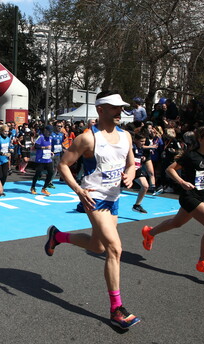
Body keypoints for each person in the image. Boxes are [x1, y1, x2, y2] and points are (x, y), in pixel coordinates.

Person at [44, 91, 141, 330]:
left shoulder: (126, 135)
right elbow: (63, 165)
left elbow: (131, 163)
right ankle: (116, 309)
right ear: (100, 109)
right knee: (114, 249)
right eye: (114, 107)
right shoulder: (87, 139)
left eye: (121, 107)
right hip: (94, 198)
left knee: (98, 246)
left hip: (114, 198)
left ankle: (57, 236)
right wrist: (79, 190)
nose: (120, 112)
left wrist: (130, 174)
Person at [141, 126, 204, 276]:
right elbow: (170, 169)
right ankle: (203, 261)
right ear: (200, 139)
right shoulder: (191, 156)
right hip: (189, 197)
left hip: (200, 196)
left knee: (176, 223)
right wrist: (182, 182)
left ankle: (150, 232)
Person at [129, 132, 151, 213]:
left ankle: (137, 205)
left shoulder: (141, 148)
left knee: (145, 186)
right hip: (128, 171)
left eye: (144, 141)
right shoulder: (131, 147)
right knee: (117, 190)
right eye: (141, 141)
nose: (143, 143)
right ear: (135, 140)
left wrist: (142, 158)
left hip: (137, 170)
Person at [30, 127, 54, 196]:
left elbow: (49, 147)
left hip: (48, 159)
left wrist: (51, 152)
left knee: (51, 173)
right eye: (48, 132)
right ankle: (33, 187)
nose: (49, 133)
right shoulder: (41, 137)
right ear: (45, 130)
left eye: (50, 132)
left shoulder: (50, 138)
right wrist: (45, 148)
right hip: (40, 159)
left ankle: (44, 188)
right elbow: (36, 146)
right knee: (38, 174)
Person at [0, 124, 12, 191]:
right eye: (5, 131)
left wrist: (10, 150)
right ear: (1, 131)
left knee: (5, 175)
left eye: (7, 131)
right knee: (0, 175)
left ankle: (1, 188)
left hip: (5, 160)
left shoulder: (8, 138)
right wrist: (3, 153)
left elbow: (9, 147)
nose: (7, 133)